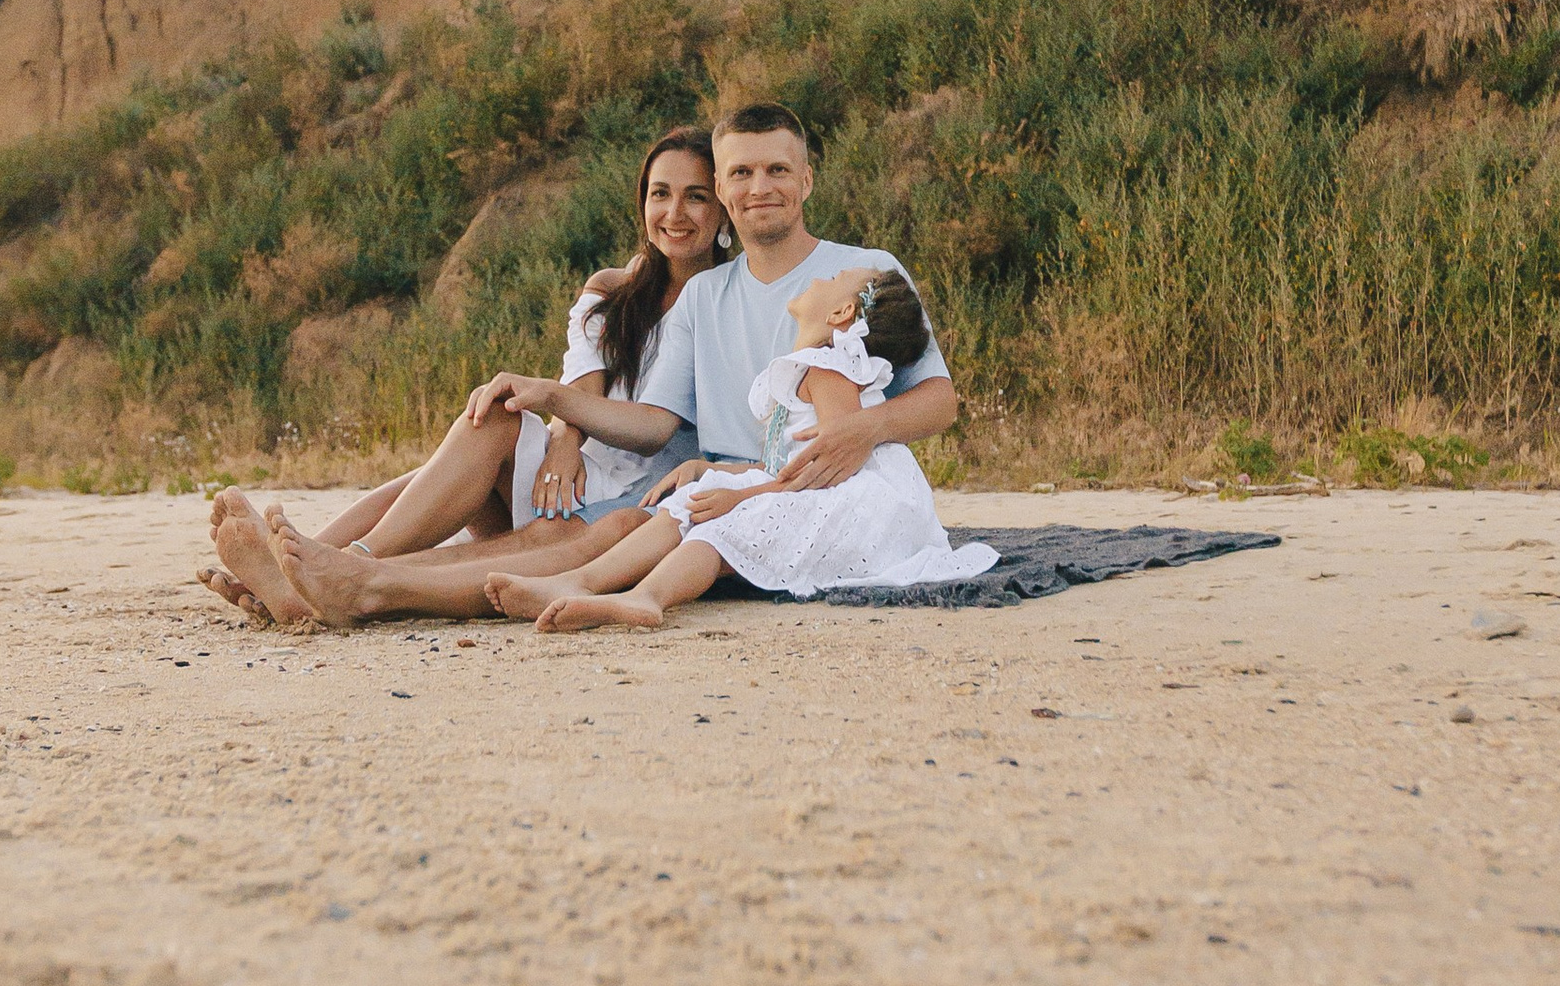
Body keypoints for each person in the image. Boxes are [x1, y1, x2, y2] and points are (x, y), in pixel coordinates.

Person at [203, 127, 725, 625]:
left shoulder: (730, 300)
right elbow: (581, 392)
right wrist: (565, 443)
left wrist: (550, 400)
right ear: (643, 203)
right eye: (661, 194)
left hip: (645, 493)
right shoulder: (614, 290)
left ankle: (333, 576)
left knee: (557, 524)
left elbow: (651, 425)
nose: (674, 213)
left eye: (696, 197)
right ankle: (318, 560)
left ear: (722, 208)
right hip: (582, 471)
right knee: (494, 417)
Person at [484, 264, 994, 630]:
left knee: (720, 522)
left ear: (840, 311)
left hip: (860, 505)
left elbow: (837, 465)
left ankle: (645, 598)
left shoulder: (830, 370)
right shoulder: (810, 368)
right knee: (690, 499)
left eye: (836, 278)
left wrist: (746, 496)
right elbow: (790, 461)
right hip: (805, 485)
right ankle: (579, 581)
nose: (824, 275)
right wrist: (713, 468)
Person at [629, 97, 959, 486]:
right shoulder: (703, 294)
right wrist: (556, 406)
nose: (759, 187)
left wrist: (865, 429)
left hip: (822, 487)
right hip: (724, 484)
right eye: (741, 172)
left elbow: (939, 400)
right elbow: (653, 423)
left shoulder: (865, 273)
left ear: (806, 181)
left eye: (777, 170)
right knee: (619, 524)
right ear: (720, 188)